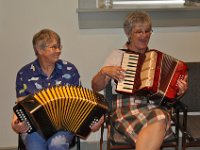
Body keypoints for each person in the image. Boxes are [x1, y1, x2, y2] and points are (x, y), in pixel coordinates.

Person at [91, 11, 188, 150]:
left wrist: (179, 91)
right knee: (160, 119)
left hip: (154, 106)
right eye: (139, 32)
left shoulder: (157, 60)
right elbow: (95, 87)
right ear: (129, 33)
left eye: (147, 31)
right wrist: (103, 72)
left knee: (160, 116)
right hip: (126, 108)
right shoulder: (117, 55)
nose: (144, 36)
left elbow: (168, 99)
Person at [11, 28, 81, 150]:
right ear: (39, 49)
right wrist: (15, 123)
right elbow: (21, 105)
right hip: (34, 128)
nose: (58, 51)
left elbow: (79, 102)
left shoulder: (70, 70)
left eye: (59, 46)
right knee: (35, 146)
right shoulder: (24, 74)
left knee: (57, 144)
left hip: (63, 127)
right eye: (53, 47)